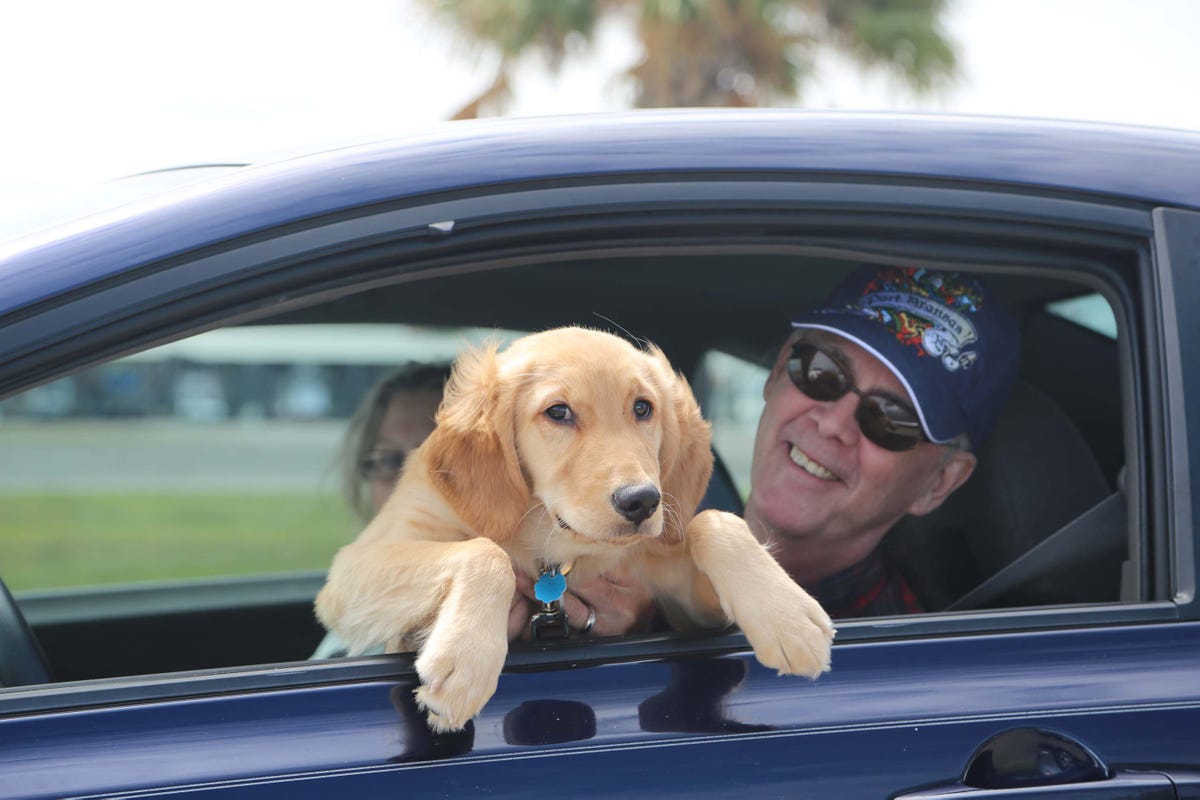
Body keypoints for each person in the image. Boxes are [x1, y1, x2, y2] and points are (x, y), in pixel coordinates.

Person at [314, 362, 652, 659]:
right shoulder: (368, 590)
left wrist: (640, 627)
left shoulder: (600, 561)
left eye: (443, 466)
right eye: (390, 461)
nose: (410, 483)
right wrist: (409, 652)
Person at [743, 265, 1018, 617]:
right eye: (821, 372)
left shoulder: (899, 667)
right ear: (779, 370)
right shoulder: (655, 551)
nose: (833, 425)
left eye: (890, 419)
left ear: (939, 482)